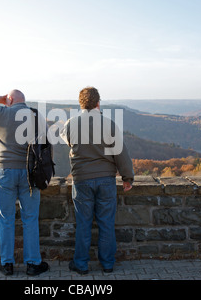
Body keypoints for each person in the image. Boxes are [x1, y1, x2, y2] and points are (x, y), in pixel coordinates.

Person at [0, 90, 49, 276]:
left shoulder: (1, 113)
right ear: (24, 101)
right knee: (30, 219)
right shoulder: (36, 116)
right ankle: (32, 263)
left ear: (9, 100)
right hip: (30, 173)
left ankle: (7, 264)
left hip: (4, 171)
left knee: (5, 219)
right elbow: (45, 145)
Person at [60, 86, 134, 274]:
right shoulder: (109, 124)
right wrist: (127, 178)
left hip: (82, 179)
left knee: (83, 223)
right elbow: (121, 154)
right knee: (106, 223)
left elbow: (66, 140)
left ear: (81, 104)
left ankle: (81, 264)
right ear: (98, 103)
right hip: (106, 179)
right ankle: (107, 264)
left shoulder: (71, 124)